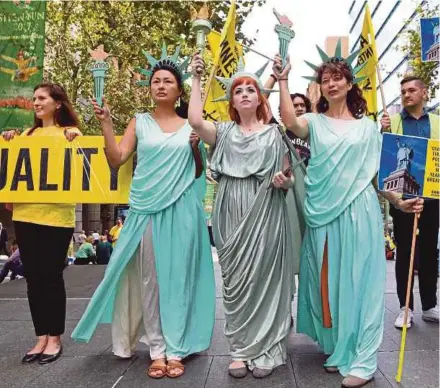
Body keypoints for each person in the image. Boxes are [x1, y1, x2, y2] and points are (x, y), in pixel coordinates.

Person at [275, 44, 424, 388]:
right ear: (320, 87)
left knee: (362, 286)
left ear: (349, 84)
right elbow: (290, 122)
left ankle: (364, 359)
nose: (331, 84)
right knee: (331, 284)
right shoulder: (313, 121)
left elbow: (378, 177)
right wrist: (283, 82)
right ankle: (341, 349)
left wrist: (400, 203)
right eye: (325, 79)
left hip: (360, 211)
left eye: (337, 78)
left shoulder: (368, 128)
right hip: (323, 214)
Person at [71, 44, 215, 380]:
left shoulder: (191, 125)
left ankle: (177, 349)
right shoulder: (140, 122)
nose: (161, 85)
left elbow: (196, 173)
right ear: (149, 88)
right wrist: (106, 122)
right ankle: (158, 350)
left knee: (178, 280)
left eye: (167, 81)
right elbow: (117, 158)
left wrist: (195, 149)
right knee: (151, 281)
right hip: (146, 210)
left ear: (179, 90)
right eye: (155, 81)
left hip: (181, 209)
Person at [188, 54, 305, 379]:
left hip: (266, 210)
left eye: (250, 89)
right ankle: (240, 350)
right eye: (237, 90)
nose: (243, 94)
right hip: (231, 210)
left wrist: (285, 181)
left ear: (259, 98)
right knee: (235, 283)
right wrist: (196, 78)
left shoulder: (273, 134)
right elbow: (195, 121)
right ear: (232, 100)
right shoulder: (222, 132)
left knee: (266, 281)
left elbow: (289, 176)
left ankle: (267, 349)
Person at [2, 82, 81, 365]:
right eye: (34, 98)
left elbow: (81, 164)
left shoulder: (71, 134)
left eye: (41, 98)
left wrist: (76, 139)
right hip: (25, 215)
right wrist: (9, 141)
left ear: (57, 103)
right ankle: (40, 337)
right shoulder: (25, 134)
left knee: (51, 275)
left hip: (57, 218)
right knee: (32, 277)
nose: (35, 103)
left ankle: (55, 337)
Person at [381, 76, 439, 328]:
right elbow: (385, 157)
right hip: (403, 197)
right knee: (405, 251)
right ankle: (406, 308)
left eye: (412, 90)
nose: (406, 95)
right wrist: (382, 132)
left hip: (433, 198)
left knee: (428, 251)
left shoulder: (437, 122)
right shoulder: (392, 122)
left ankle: (429, 305)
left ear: (424, 93)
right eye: (403, 91)